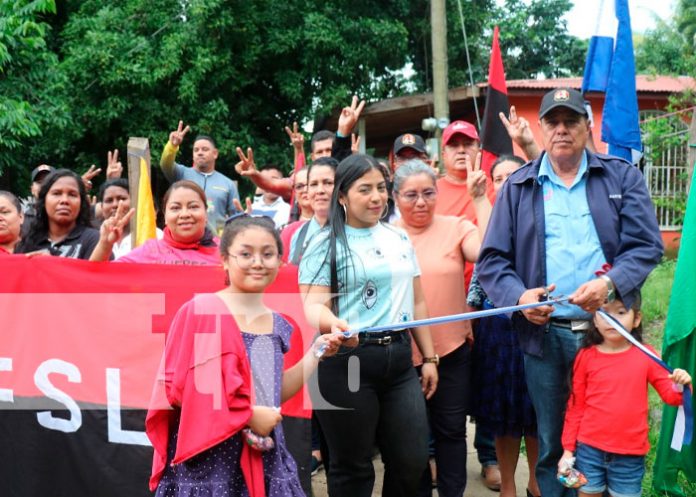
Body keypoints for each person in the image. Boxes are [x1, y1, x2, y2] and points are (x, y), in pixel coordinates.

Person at [476, 87, 664, 497]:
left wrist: (610, 284)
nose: (562, 129)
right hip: (546, 338)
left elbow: (648, 245)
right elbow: (492, 261)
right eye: (553, 122)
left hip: (609, 336)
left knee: (608, 442)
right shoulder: (518, 187)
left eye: (571, 120)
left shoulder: (620, 176)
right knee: (551, 443)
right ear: (541, 129)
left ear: (586, 125)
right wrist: (520, 299)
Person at [145, 215, 345, 497]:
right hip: (208, 461)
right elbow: (187, 391)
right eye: (245, 254)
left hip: (260, 454)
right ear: (225, 260)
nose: (258, 262)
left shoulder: (276, 323)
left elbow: (269, 393)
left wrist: (315, 353)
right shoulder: (203, 311)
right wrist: (249, 415)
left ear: (280, 260)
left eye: (268, 254)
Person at [299, 154, 438, 497]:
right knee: (352, 467)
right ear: (342, 197)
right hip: (347, 361)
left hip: (400, 359)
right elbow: (313, 306)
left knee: (412, 459)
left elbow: (417, 301)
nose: (377, 197)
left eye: (381, 188)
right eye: (365, 189)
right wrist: (335, 324)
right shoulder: (323, 242)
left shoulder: (399, 238)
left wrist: (430, 358)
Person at [392, 158, 491, 497]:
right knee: (411, 436)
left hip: (452, 350)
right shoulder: (385, 235)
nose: (421, 202)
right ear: (395, 197)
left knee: (451, 431)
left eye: (428, 193)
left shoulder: (455, 226)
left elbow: (487, 253)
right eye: (411, 195)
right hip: (402, 355)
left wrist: (479, 199)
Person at [559, 294, 691, 497]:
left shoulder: (646, 355)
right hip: (589, 451)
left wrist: (682, 384)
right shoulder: (586, 356)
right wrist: (568, 451)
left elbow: (673, 397)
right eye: (604, 312)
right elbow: (575, 406)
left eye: (620, 312)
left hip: (630, 456)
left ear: (636, 318)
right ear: (594, 318)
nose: (611, 319)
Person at [467, 155, 540, 497]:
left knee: (537, 415)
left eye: (514, 174)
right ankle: (509, 485)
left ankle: (538, 483)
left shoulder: (544, 217)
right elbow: (483, 271)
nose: (508, 181)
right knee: (503, 416)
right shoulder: (487, 220)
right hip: (496, 333)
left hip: (538, 328)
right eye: (500, 177)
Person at [433, 119, 500, 489]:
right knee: (441, 385)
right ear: (443, 153)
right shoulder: (432, 191)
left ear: (478, 149)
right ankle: (431, 453)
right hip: (442, 305)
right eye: (453, 145)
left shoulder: (494, 188)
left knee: (487, 379)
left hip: (488, 303)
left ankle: (488, 455)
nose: (461, 150)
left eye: (468, 144)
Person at [91, 180, 220, 265]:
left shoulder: (226, 251)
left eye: (193, 207)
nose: (185, 214)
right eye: (175, 208)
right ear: (165, 217)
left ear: (206, 213)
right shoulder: (150, 251)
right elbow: (96, 278)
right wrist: (105, 244)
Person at [160, 121, 240, 233]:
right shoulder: (182, 173)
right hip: (184, 241)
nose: (200, 153)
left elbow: (235, 218)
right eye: (196, 150)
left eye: (205, 149)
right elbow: (165, 164)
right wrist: (172, 146)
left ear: (215, 153)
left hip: (215, 243)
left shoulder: (227, 184)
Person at [16, 169, 100, 259]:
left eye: (72, 194)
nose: (64, 200)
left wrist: (53, 264)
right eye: (56, 193)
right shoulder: (29, 241)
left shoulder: (94, 239)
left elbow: (95, 272)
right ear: (44, 201)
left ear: (81, 202)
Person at [97, 179, 163, 258]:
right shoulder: (94, 238)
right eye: (109, 200)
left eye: (122, 199)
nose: (115, 204)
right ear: (101, 207)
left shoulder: (156, 235)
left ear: (134, 202)